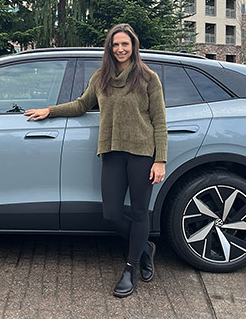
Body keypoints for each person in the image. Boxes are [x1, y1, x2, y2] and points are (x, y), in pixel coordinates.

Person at [24, 23, 167, 298]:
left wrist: (160, 159)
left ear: (133, 46)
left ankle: (131, 267)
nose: (120, 49)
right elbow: (81, 105)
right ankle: (145, 247)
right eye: (115, 44)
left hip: (142, 154)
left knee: (139, 212)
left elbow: (159, 121)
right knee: (111, 213)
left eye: (125, 44)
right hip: (112, 152)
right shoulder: (100, 78)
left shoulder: (148, 78)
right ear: (109, 48)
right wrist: (50, 110)